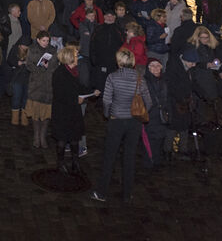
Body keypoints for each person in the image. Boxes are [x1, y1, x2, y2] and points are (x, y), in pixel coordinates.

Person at [90, 48, 152, 203]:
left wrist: (107, 114)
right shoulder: (139, 78)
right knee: (129, 157)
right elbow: (149, 102)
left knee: (110, 156)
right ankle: (127, 194)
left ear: (118, 62)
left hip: (116, 120)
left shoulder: (112, 77)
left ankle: (102, 192)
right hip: (134, 122)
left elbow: (106, 100)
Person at [51, 45, 100, 174]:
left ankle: (75, 161)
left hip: (73, 111)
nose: (78, 57)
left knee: (74, 138)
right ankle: (60, 163)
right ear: (70, 58)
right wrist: (76, 99)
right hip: (62, 111)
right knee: (62, 139)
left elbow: (79, 87)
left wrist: (91, 91)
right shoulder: (59, 73)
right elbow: (60, 95)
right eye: (76, 55)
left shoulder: (73, 71)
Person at [25, 31, 59, 148]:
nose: (46, 43)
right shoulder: (32, 49)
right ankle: (36, 136)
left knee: (46, 114)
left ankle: (43, 136)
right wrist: (40, 67)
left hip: (48, 84)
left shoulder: (53, 50)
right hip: (36, 84)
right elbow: (28, 64)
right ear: (38, 40)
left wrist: (48, 66)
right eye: (43, 40)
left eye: (47, 41)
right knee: (36, 113)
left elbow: (55, 65)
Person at [143, 58, 169, 169]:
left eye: (158, 65)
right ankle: (149, 161)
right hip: (151, 114)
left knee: (160, 138)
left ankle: (157, 160)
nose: (155, 68)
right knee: (150, 139)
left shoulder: (165, 80)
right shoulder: (145, 81)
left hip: (161, 113)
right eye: (152, 66)